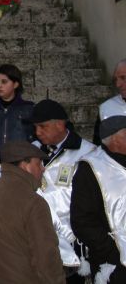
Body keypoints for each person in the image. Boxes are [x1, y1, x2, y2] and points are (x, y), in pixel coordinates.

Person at [0, 141, 65, 283]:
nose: (43, 169)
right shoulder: (33, 202)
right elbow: (46, 258)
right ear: (25, 165)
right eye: (39, 163)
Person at [28, 99, 96, 282]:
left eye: (42, 127)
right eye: (35, 127)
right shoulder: (31, 150)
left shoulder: (87, 152)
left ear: (59, 124)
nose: (37, 132)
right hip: (39, 232)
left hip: (73, 236)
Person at [71, 102, 126, 283]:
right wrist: (111, 251)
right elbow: (82, 220)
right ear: (114, 139)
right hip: (112, 263)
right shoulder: (91, 169)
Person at [93, 59, 126, 144]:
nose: (118, 84)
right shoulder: (106, 108)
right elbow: (98, 145)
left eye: (123, 78)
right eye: (116, 79)